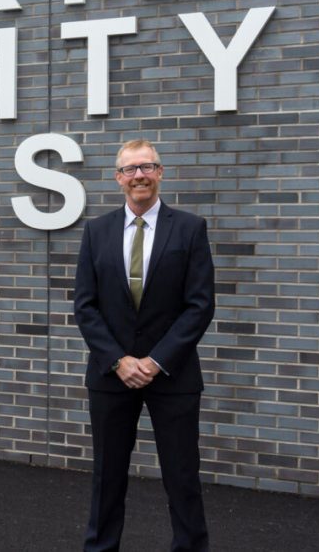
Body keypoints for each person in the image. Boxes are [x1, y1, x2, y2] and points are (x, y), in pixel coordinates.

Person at [74, 139, 215, 551]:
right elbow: (85, 305)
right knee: (107, 477)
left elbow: (200, 305)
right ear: (118, 178)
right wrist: (119, 360)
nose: (140, 175)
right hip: (111, 375)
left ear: (160, 173)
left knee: (182, 476)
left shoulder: (189, 228)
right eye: (131, 169)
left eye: (148, 167)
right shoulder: (96, 231)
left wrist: (155, 361)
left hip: (173, 374)